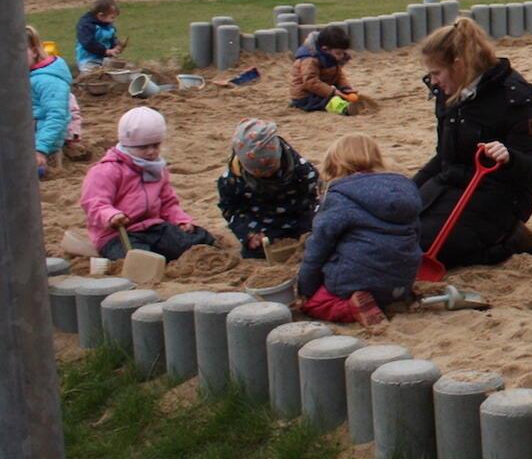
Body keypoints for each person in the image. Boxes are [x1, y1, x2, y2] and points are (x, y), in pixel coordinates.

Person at [413, 17, 532, 267]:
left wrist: (509, 157)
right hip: (451, 184)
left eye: (436, 73)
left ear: (459, 65)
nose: (433, 81)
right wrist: (407, 190)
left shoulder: (513, 98)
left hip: (498, 194)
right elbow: (444, 157)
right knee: (397, 229)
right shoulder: (449, 93)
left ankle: (509, 240)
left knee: (426, 245)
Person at [298, 135, 422, 328]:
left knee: (316, 303)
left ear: (336, 163)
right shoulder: (405, 188)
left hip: (356, 280)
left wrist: (306, 287)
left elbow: (318, 246)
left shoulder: (340, 196)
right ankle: (388, 298)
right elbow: (415, 233)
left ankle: (350, 308)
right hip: (402, 279)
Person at [80, 106, 214, 260]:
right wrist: (111, 215)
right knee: (139, 257)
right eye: (143, 147)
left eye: (155, 145)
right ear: (127, 144)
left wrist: (179, 220)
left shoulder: (158, 169)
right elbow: (93, 203)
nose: (151, 152)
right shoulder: (107, 170)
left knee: (197, 240)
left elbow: (168, 203)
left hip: (152, 227)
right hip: (118, 234)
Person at [215, 119, 321, 259]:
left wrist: (314, 221)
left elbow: (318, 197)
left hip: (299, 218)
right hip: (262, 225)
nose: (266, 176)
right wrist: (248, 233)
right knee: (254, 252)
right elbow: (231, 209)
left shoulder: (301, 170)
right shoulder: (231, 180)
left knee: (319, 238)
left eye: (270, 171)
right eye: (258, 174)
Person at [27, 25, 74, 180]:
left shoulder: (48, 80)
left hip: (44, 148)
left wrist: (40, 149)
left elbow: (57, 116)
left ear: (34, 51)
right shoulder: (28, 74)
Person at [290, 25, 356, 113]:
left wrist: (345, 88)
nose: (342, 56)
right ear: (325, 49)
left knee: (341, 97)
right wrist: (332, 92)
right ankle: (344, 109)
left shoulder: (331, 57)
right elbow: (311, 82)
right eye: (338, 53)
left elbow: (339, 75)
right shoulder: (310, 59)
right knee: (330, 102)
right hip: (305, 96)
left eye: (343, 53)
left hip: (320, 92)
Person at [73, 0, 124, 73]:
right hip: (88, 59)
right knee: (91, 74)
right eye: (112, 17)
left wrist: (116, 46)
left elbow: (111, 37)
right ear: (100, 15)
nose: (113, 20)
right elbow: (88, 43)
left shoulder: (107, 24)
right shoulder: (86, 26)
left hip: (104, 58)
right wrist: (106, 51)